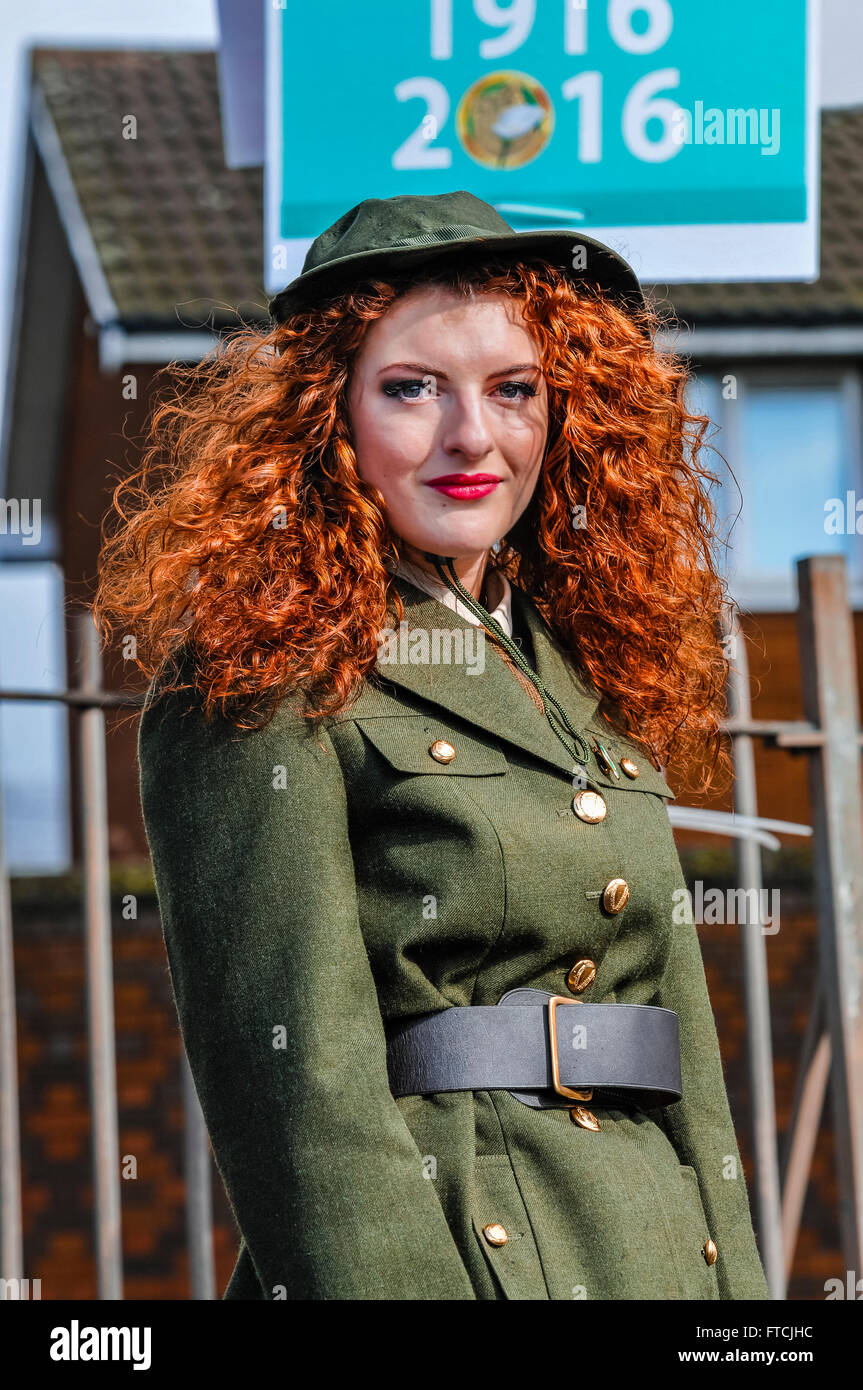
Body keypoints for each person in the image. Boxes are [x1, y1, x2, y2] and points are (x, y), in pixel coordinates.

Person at [95, 190, 770, 1301]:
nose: (472, 436)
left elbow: (677, 1051)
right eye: (412, 388)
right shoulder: (260, 679)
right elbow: (298, 1089)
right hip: (453, 1258)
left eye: (514, 390)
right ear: (329, 413)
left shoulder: (582, 668)